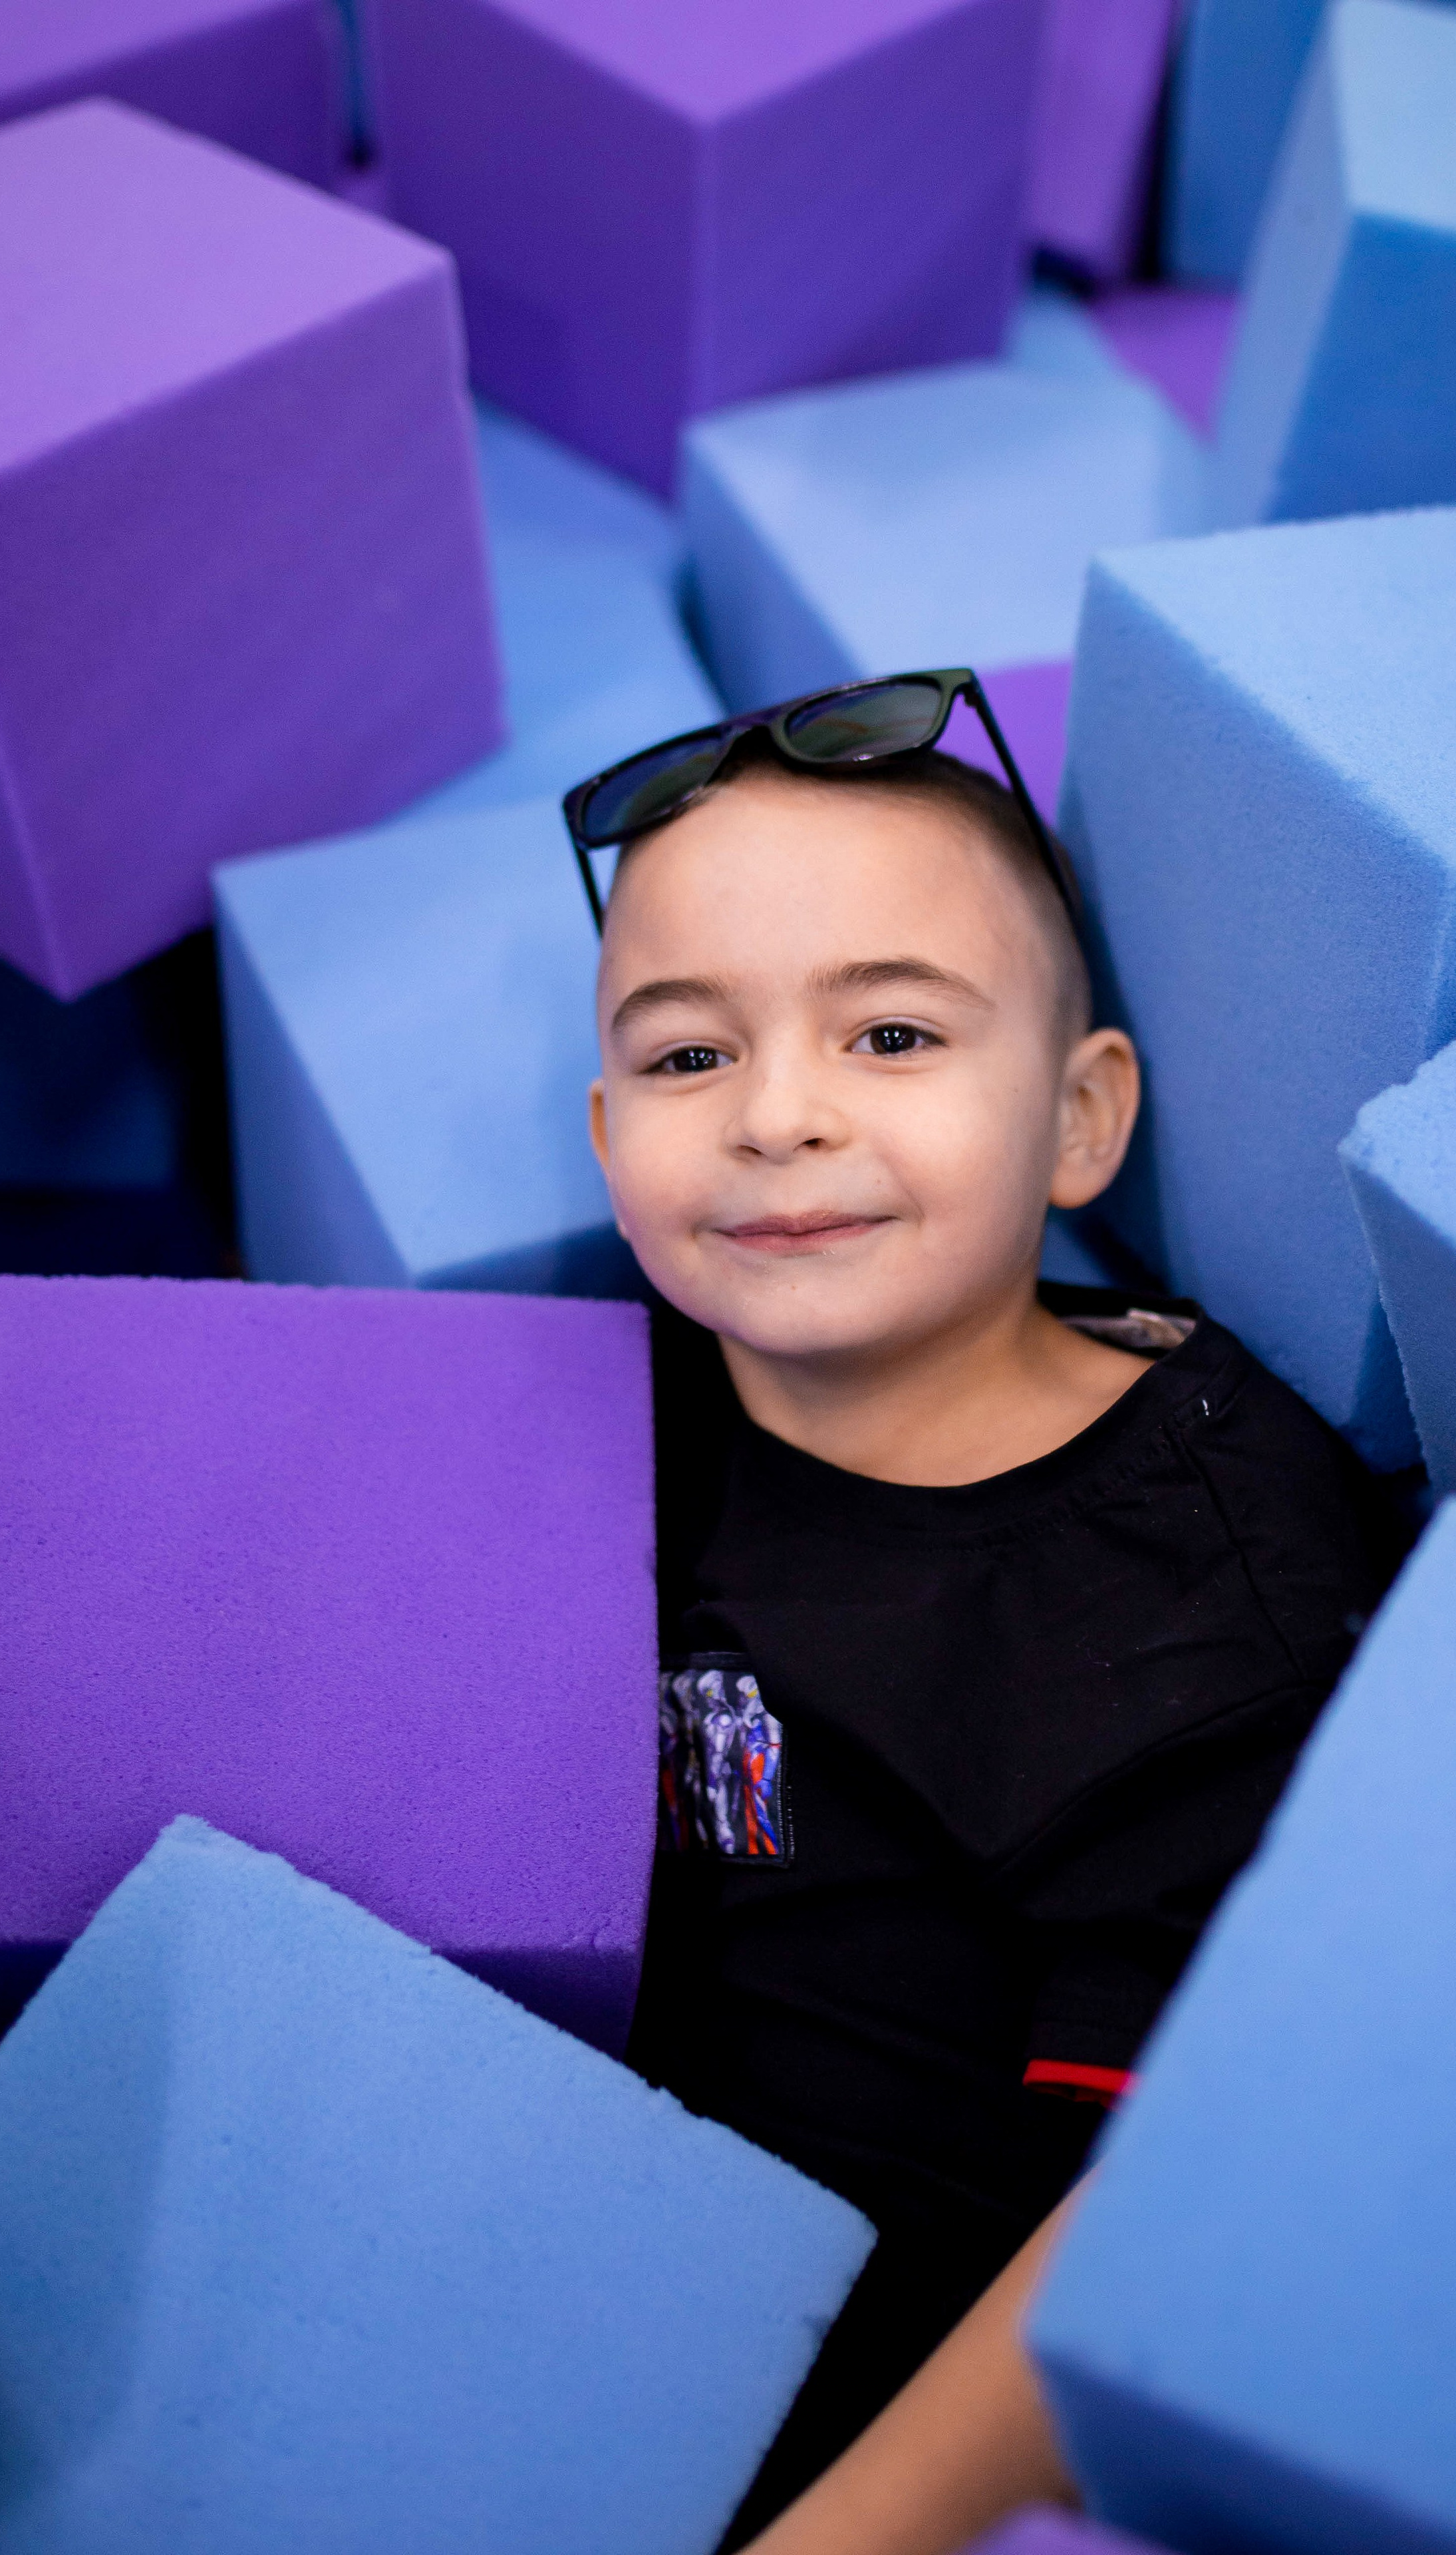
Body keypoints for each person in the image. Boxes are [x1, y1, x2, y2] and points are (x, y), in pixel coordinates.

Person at [573, 675, 1396, 2554]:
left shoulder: (1199, 1598)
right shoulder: (613, 1418)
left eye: (889, 1033)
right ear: (609, 1137)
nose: (780, 1117)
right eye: (692, 1058)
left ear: (1079, 1118)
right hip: (609, 2273)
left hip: (903, 2403)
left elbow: (1162, 2203)